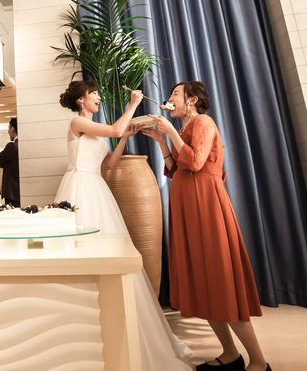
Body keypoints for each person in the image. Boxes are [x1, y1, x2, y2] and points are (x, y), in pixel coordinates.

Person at [55, 80, 193, 371]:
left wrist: (123, 138)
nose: (98, 97)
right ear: (80, 100)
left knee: (109, 254)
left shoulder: (95, 129)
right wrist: (132, 105)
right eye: (93, 94)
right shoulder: (77, 122)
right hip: (79, 189)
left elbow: (110, 164)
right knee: (83, 253)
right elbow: (116, 129)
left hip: (96, 187)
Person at [142, 81, 270, 371]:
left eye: (175, 94)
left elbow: (196, 162)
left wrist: (169, 131)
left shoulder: (203, 122)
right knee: (204, 282)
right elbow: (175, 169)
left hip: (207, 207)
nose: (169, 98)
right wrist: (162, 141)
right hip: (189, 209)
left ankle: (259, 361)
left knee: (220, 281)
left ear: (191, 100)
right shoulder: (184, 129)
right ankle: (230, 354)